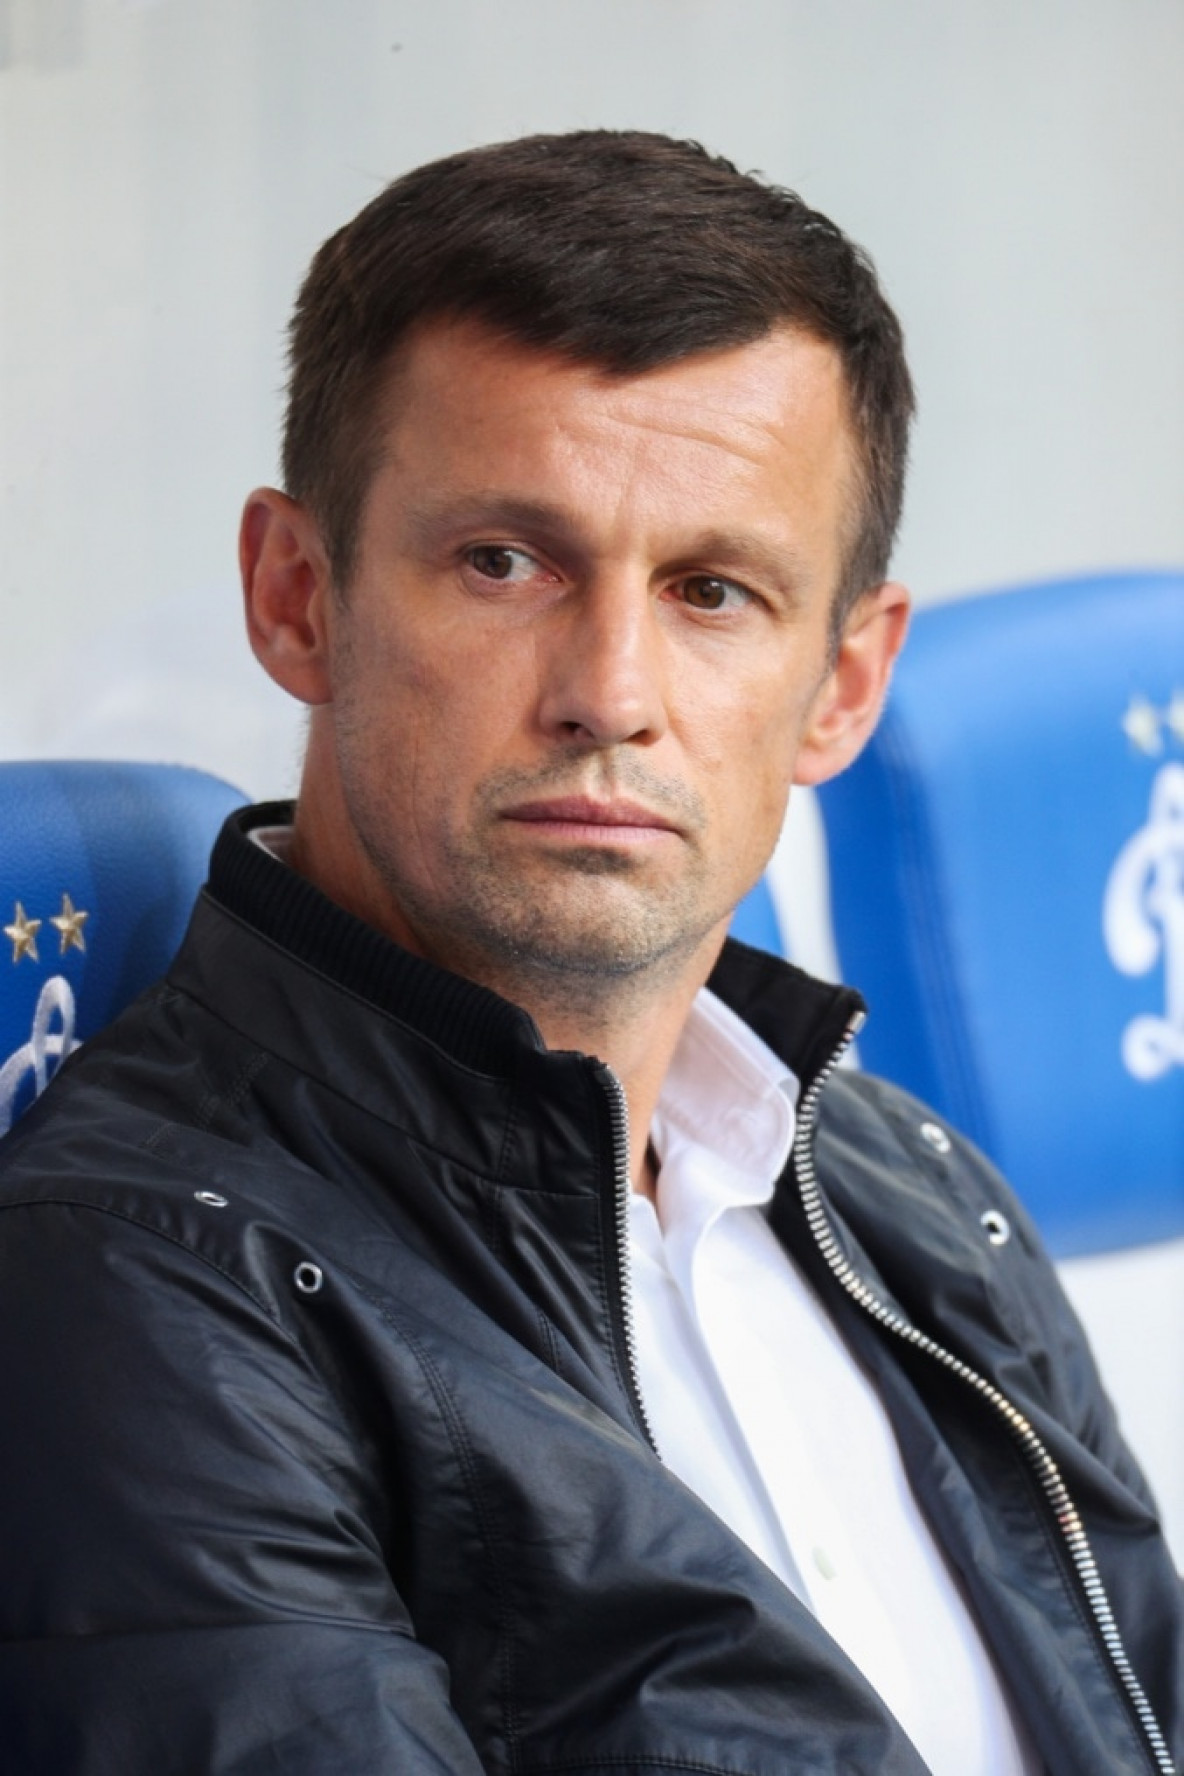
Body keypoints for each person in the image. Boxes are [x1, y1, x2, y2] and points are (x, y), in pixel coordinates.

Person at [0, 130, 1179, 1776]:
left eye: (713, 590)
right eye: (506, 563)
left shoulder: (912, 1190)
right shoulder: (145, 1288)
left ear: (844, 684)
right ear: (296, 598)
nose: (609, 692)